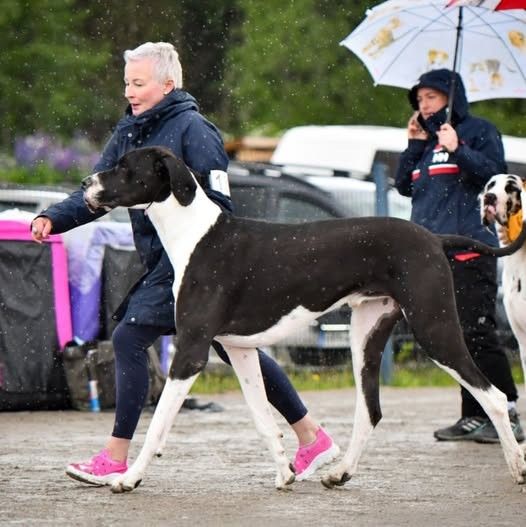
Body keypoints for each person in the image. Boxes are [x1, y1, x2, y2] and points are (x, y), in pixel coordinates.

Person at [31, 42, 339, 484]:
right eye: (126, 83)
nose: (129, 91)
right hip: (162, 260)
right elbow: (100, 194)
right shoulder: (128, 131)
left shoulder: (195, 129)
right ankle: (312, 437)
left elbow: (218, 204)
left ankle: (116, 456)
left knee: (130, 337)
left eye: (138, 83)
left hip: (197, 264)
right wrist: (54, 218)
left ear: (167, 84)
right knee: (233, 344)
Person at [394, 68, 524, 443]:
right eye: (419, 99)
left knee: (477, 331)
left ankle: (508, 412)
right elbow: (403, 186)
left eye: (431, 97)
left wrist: (458, 148)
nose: (424, 105)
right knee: (453, 338)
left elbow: (495, 176)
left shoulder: (479, 131)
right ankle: (473, 414)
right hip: (431, 253)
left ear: (452, 98)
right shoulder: (427, 141)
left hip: (469, 248)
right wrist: (414, 145)